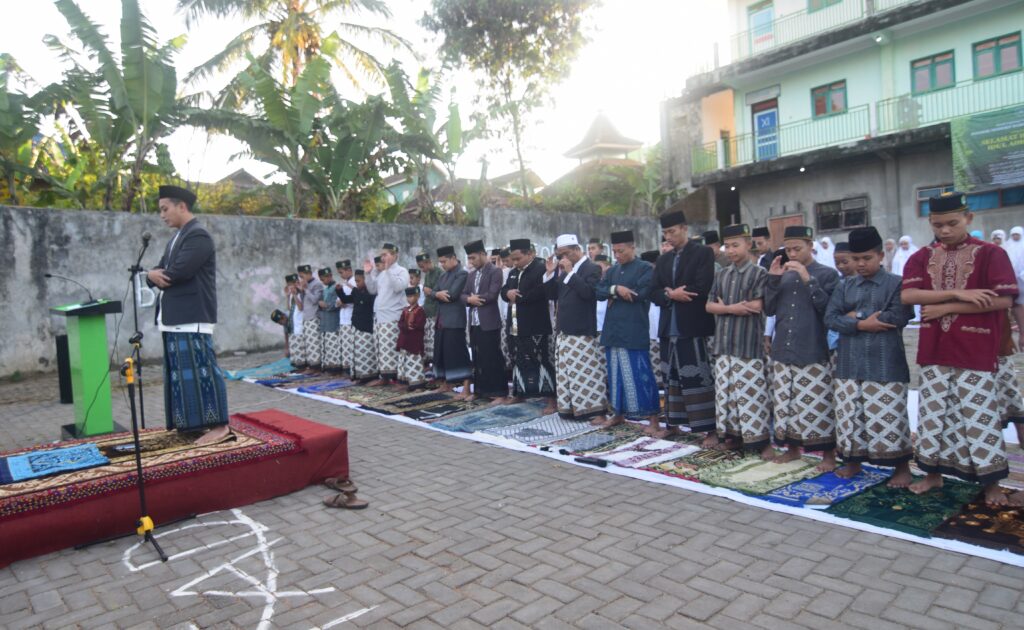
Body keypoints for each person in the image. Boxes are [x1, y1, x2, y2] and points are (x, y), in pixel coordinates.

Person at [901, 192, 1018, 506]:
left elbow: (1003, 299)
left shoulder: (992, 254)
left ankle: (992, 484)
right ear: (930, 223)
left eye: (952, 223)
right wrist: (958, 295)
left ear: (969, 218)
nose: (945, 231)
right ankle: (932, 474)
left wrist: (945, 308)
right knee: (933, 416)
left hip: (976, 348)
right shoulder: (922, 256)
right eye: (938, 225)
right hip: (934, 349)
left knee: (979, 417)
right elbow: (909, 296)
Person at [824, 226, 914, 487]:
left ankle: (901, 468)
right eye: (856, 259)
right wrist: (863, 323)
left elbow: (899, 316)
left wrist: (853, 317)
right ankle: (853, 462)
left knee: (890, 416)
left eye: (867, 258)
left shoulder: (896, 283)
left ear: (880, 256)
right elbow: (830, 318)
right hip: (849, 362)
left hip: (886, 362)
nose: (860, 264)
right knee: (850, 416)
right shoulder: (845, 286)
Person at [147, 185, 229, 445]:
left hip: (192, 317)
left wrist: (155, 275)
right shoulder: (176, 238)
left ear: (181, 206)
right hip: (174, 318)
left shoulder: (198, 236)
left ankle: (219, 425)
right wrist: (151, 275)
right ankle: (192, 423)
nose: (162, 215)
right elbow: (159, 270)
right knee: (181, 374)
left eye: (165, 209)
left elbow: (175, 273)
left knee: (203, 370)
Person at [766, 225, 841, 471]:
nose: (792, 254)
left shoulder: (828, 274)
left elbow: (828, 311)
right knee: (785, 404)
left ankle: (828, 455)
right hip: (782, 349)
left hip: (812, 349)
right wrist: (774, 279)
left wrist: (808, 279)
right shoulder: (783, 274)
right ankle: (793, 449)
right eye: (788, 249)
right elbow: (768, 308)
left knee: (817, 404)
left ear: (811, 246)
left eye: (797, 248)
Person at [706, 224, 772, 458]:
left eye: (736, 245)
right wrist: (732, 308)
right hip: (723, 345)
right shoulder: (722, 274)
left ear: (748, 244)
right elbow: (709, 305)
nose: (731, 251)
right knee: (727, 395)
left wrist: (723, 308)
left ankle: (762, 443)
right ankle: (732, 437)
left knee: (752, 395)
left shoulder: (759, 273)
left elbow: (756, 306)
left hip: (748, 345)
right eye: (728, 246)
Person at [652, 210, 717, 440]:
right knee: (671, 379)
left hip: (693, 326)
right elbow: (654, 291)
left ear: (684, 229)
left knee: (699, 378)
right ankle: (672, 426)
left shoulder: (702, 253)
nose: (669, 236)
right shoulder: (663, 259)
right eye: (665, 233)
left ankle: (709, 429)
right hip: (669, 329)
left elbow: (702, 286)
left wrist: (676, 293)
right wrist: (671, 294)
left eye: (672, 231)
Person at [597, 230, 660, 430]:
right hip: (613, 330)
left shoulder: (645, 268)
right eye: (614, 252)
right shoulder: (613, 271)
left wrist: (615, 292)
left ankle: (653, 420)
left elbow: (639, 294)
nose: (617, 255)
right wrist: (617, 290)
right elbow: (598, 291)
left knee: (641, 375)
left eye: (621, 251)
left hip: (634, 329)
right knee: (615, 376)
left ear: (633, 247)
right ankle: (618, 414)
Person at [544, 234, 607, 424]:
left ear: (577, 250)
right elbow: (552, 295)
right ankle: (571, 409)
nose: (562, 258)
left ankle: (594, 411)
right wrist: (550, 274)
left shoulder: (591, 268)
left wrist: (570, 273)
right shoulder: (564, 270)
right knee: (566, 373)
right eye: (559, 255)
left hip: (582, 330)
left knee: (586, 373)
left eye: (565, 254)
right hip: (564, 329)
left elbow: (589, 293)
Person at [501, 238, 557, 412]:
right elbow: (503, 291)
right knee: (518, 360)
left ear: (530, 254)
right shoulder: (513, 272)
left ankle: (551, 400)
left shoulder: (540, 268)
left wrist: (518, 297)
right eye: (513, 259)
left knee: (541, 361)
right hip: (516, 324)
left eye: (518, 259)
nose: (515, 262)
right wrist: (508, 292)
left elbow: (541, 292)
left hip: (536, 325)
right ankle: (519, 393)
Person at [461, 239, 508, 401]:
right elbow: (462, 295)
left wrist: (474, 299)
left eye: (473, 258)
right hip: (474, 323)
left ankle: (499, 393)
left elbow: (493, 294)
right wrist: (468, 300)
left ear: (482, 254)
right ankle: (480, 391)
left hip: (489, 322)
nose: (471, 262)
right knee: (478, 357)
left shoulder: (495, 271)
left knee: (492, 358)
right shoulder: (471, 275)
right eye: (469, 259)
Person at [365, 242, 409, 385]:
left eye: (385, 255)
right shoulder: (382, 273)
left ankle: (396, 379)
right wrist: (368, 273)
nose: (382, 258)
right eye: (382, 255)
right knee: (381, 349)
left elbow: (398, 287)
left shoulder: (402, 271)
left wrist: (389, 269)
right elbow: (372, 290)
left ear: (394, 255)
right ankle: (384, 378)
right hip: (380, 317)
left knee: (390, 349)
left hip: (392, 317)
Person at [431, 245, 472, 397]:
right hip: (441, 320)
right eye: (440, 262)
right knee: (441, 354)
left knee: (458, 354)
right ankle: (446, 384)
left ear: (453, 258)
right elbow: (432, 291)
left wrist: (437, 294)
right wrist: (437, 294)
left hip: (455, 320)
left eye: (444, 261)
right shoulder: (443, 275)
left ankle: (466, 388)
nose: (442, 265)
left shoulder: (462, 274)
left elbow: (452, 294)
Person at [339, 270, 377, 380]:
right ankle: (358, 376)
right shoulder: (357, 292)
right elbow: (346, 300)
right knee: (357, 354)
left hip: (365, 327)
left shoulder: (370, 293)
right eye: (355, 281)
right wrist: (339, 291)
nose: (357, 284)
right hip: (356, 326)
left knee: (365, 354)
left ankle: (368, 376)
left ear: (366, 281)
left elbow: (364, 301)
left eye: (359, 281)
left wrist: (354, 290)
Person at [640, 251, 663, 387]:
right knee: (653, 363)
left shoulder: (661, 278)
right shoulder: (644, 280)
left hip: (663, 327)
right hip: (650, 330)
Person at [396, 286, 426, 389]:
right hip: (405, 339)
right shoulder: (405, 310)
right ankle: (406, 382)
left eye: (412, 296)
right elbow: (400, 323)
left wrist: (412, 326)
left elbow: (421, 324)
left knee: (414, 361)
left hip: (415, 341)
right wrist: (405, 326)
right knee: (405, 362)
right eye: (408, 297)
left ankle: (417, 384)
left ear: (417, 296)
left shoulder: (420, 310)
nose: (409, 299)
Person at [295, 263, 323, 372]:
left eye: (302, 276)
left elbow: (315, 300)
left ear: (308, 274)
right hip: (306, 317)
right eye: (300, 277)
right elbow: (302, 303)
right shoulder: (305, 285)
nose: (301, 279)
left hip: (314, 317)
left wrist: (306, 289)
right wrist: (299, 291)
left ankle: (316, 367)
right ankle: (311, 365)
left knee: (315, 344)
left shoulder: (317, 284)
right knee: (309, 344)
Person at [415, 252, 441, 366]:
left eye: (422, 266)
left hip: (436, 312)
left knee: (435, 342)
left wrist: (429, 291)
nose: (422, 269)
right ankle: (431, 366)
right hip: (428, 312)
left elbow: (438, 291)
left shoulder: (439, 273)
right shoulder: (428, 274)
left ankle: (436, 367)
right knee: (428, 342)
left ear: (428, 262)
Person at [317, 267, 343, 372]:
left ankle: (335, 369)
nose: (327, 279)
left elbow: (337, 304)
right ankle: (329, 368)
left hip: (333, 322)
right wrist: (320, 304)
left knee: (334, 346)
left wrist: (325, 305)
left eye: (329, 276)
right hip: (325, 322)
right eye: (324, 278)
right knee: (328, 347)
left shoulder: (336, 288)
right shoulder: (325, 289)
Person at [334, 260, 355, 375]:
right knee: (345, 346)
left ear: (349, 270)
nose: (341, 275)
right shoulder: (343, 284)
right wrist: (340, 302)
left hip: (350, 318)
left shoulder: (354, 282)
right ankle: (347, 370)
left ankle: (352, 370)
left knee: (350, 346)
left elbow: (353, 299)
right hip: (343, 318)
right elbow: (338, 301)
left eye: (342, 272)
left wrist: (342, 301)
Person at [283, 273, 300, 360]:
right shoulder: (291, 295)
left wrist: (295, 295)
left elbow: (301, 308)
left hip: (301, 323)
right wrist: (287, 296)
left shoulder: (300, 293)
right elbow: (289, 308)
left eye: (294, 283)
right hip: (294, 323)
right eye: (290, 284)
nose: (292, 286)